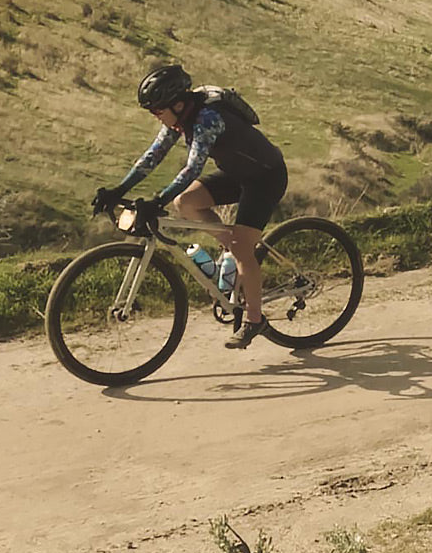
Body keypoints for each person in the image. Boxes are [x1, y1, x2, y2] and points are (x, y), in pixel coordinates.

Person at [92, 64, 287, 349]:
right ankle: (234, 249)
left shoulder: (207, 118)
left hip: (265, 177)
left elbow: (191, 170)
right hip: (237, 173)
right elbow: (153, 156)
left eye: (157, 111)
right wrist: (118, 190)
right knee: (186, 202)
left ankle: (254, 319)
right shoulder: (180, 119)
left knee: (244, 249)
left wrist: (158, 200)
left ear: (178, 104)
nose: (156, 117)